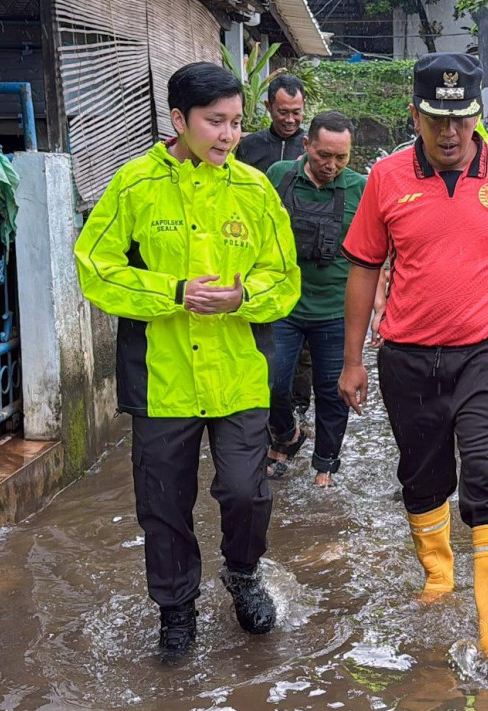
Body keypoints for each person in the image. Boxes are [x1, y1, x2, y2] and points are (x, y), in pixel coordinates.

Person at [73, 62, 300, 660]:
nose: (228, 135)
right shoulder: (135, 185)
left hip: (239, 373)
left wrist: (243, 296)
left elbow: (285, 278)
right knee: (164, 504)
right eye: (214, 122)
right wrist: (172, 293)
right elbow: (94, 269)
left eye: (235, 122)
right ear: (179, 119)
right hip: (161, 378)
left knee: (246, 491)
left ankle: (243, 575)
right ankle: (176, 611)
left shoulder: (254, 191)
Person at [338, 53, 488, 671]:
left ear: (478, 115)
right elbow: (363, 268)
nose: (452, 133)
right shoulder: (385, 177)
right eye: (437, 120)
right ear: (415, 116)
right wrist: (352, 361)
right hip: (408, 357)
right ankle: (438, 576)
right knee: (423, 475)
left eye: (463, 118)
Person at [263, 111, 367, 488]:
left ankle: (325, 463)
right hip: (283, 305)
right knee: (271, 381)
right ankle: (287, 435)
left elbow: (375, 253)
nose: (332, 166)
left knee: (332, 389)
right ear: (306, 145)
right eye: (324, 155)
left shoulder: (361, 187)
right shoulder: (279, 176)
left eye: (341, 158)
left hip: (337, 309)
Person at [236, 74, 314, 428]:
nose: (291, 119)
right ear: (268, 107)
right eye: (283, 111)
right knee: (267, 329)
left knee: (305, 342)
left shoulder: (312, 147)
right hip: (257, 254)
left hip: (304, 254)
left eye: (297, 112)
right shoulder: (248, 147)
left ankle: (298, 407)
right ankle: (265, 401)